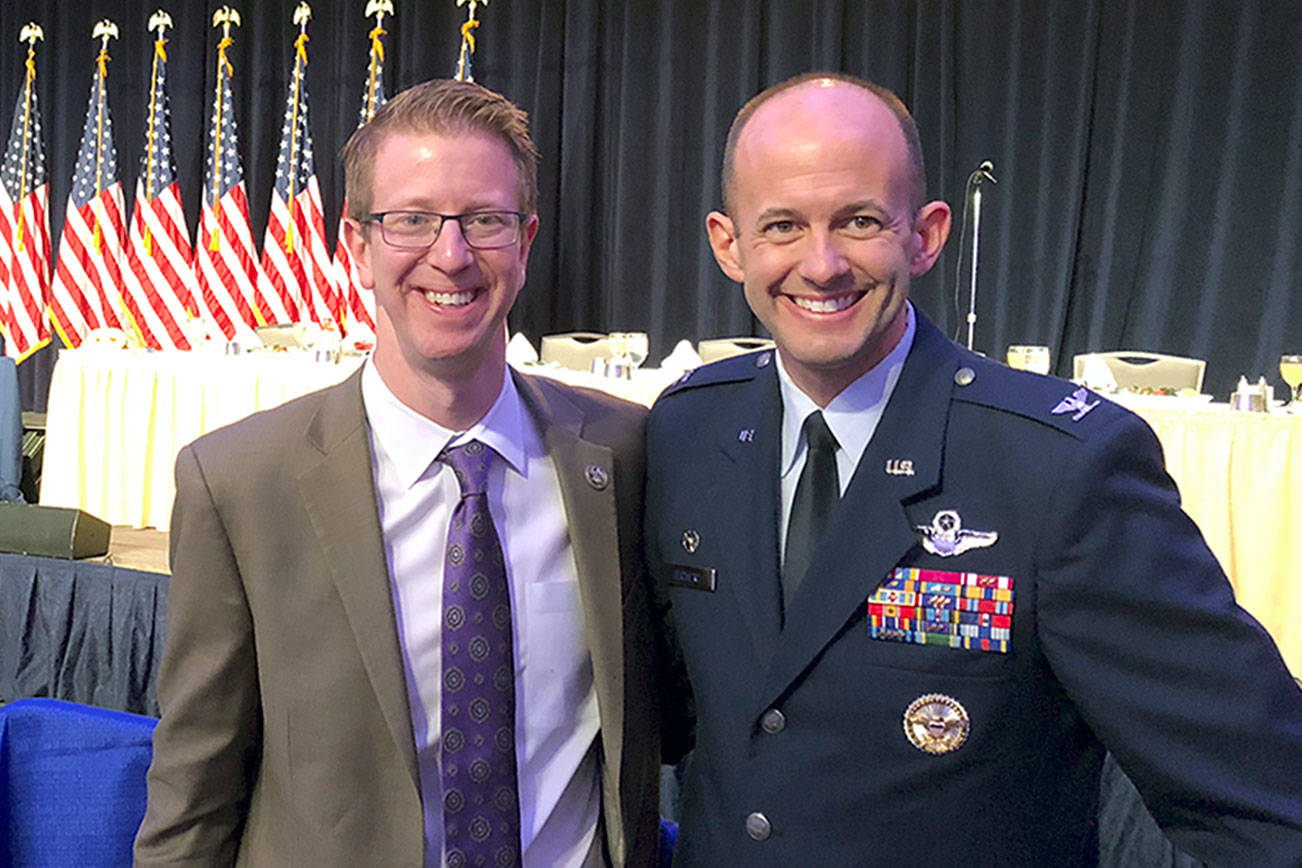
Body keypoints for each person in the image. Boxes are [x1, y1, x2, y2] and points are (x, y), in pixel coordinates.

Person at [645, 72, 1302, 865]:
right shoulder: (687, 432)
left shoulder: (1058, 471)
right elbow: (678, 719)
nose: (820, 265)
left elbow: (1263, 796)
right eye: (781, 225)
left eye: (858, 221)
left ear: (925, 234)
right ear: (729, 244)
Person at [136, 79, 683, 868]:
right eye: (412, 220)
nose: (451, 254)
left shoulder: (623, 455)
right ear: (357, 247)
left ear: (526, 243)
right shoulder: (240, 484)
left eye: (484, 220)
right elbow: (194, 791)